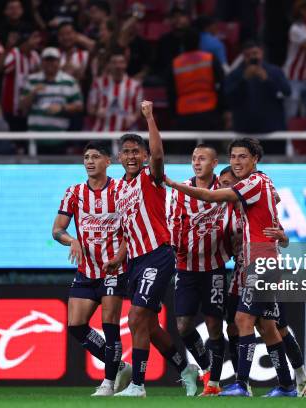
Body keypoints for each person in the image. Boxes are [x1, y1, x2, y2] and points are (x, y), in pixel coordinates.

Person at [166, 138, 298, 398]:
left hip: (260, 260)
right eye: (233, 157)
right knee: (266, 325)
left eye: (243, 157)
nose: (237, 162)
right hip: (261, 257)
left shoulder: (253, 182)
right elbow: (275, 202)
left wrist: (172, 184)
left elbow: (211, 195)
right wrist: (281, 236)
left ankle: (241, 383)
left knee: (242, 320)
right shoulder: (264, 182)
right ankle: (286, 385)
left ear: (255, 159)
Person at [112, 101, 199, 397]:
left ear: (146, 155)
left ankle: (138, 384)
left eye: (137, 151)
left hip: (158, 255)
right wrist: (118, 258)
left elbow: (160, 154)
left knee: (135, 317)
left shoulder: (151, 176)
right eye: (126, 151)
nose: (131, 156)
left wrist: (150, 117)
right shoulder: (120, 190)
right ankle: (185, 369)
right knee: (148, 325)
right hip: (134, 262)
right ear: (119, 157)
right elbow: (127, 231)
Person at [218, 165, 306, 398]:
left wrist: (284, 237)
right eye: (222, 184)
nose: (227, 188)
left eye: (230, 183)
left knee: (271, 325)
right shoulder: (224, 213)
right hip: (240, 275)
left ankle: (296, 376)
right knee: (237, 326)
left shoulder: (258, 207)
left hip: (262, 270)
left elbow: (282, 238)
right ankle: (266, 384)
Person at [52, 142, 133, 396]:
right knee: (76, 325)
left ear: (108, 161)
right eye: (86, 157)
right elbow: (57, 230)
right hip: (86, 270)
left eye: (95, 157)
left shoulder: (122, 190)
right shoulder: (74, 193)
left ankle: (108, 383)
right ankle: (119, 366)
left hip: (114, 269)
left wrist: (120, 257)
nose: (89, 161)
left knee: (110, 325)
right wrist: (72, 240)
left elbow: (133, 230)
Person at [168, 144, 231, 396]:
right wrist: (175, 246)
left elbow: (236, 219)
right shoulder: (181, 191)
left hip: (214, 268)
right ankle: (205, 369)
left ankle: (214, 383)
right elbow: (173, 221)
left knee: (215, 325)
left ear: (214, 163)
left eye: (202, 158)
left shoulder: (225, 190)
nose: (196, 162)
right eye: (194, 158)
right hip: (186, 268)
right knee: (183, 326)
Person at [19, 47, 83, 153]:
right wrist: (33, 93)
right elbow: (21, 106)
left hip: (59, 138)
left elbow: (79, 106)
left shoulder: (69, 81)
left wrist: (62, 108)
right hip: (34, 138)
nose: (50, 64)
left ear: (59, 62)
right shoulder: (32, 80)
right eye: (47, 60)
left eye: (53, 60)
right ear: (42, 62)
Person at [225, 40, 291, 133]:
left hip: (272, 129)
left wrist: (267, 80)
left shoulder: (275, 72)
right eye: (248, 55)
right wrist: (244, 80)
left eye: (255, 53)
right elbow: (229, 97)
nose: (252, 57)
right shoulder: (235, 74)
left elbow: (286, 92)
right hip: (244, 130)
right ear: (243, 56)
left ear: (261, 52)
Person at [168, 28, 224, 131]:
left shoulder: (175, 63)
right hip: (209, 110)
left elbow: (171, 92)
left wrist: (174, 115)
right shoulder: (210, 58)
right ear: (199, 42)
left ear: (183, 43)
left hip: (184, 113)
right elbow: (223, 83)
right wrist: (221, 108)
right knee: (211, 146)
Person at [87, 47, 142, 131]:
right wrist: (97, 112)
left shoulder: (135, 86)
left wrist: (133, 118)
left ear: (126, 64)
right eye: (114, 63)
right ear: (109, 64)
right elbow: (90, 109)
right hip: (102, 132)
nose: (118, 66)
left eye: (121, 62)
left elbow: (139, 111)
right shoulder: (98, 84)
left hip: (127, 133)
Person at [1, 31, 41, 131]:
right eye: (34, 38)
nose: (38, 41)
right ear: (25, 41)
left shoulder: (35, 55)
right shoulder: (14, 53)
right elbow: (4, 67)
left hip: (29, 107)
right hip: (11, 107)